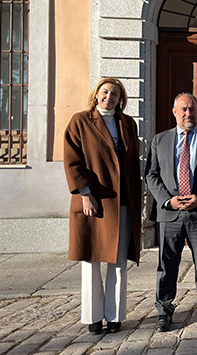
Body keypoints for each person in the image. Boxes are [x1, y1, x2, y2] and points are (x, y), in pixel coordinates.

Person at [63, 77, 142, 335]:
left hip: (123, 200)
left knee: (118, 260)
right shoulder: (80, 121)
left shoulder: (128, 123)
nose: (109, 97)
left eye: (115, 94)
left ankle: (114, 315)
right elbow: (73, 161)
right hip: (94, 201)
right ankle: (93, 316)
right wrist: (85, 194)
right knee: (92, 257)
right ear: (96, 94)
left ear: (121, 99)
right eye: (105, 92)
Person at [144, 93, 197, 331]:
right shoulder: (160, 140)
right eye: (183, 109)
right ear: (174, 112)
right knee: (167, 263)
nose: (188, 114)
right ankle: (164, 310)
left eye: (192, 109)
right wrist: (167, 200)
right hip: (169, 213)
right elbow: (151, 174)